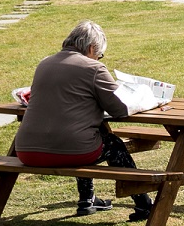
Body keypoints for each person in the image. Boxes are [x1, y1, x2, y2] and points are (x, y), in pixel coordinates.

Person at [10, 19, 140, 215]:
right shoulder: (94, 69)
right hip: (71, 150)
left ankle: (87, 200)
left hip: (26, 150)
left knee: (86, 133)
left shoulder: (44, 64)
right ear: (90, 48)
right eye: (100, 54)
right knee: (111, 144)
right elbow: (120, 109)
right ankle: (143, 202)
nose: (99, 58)